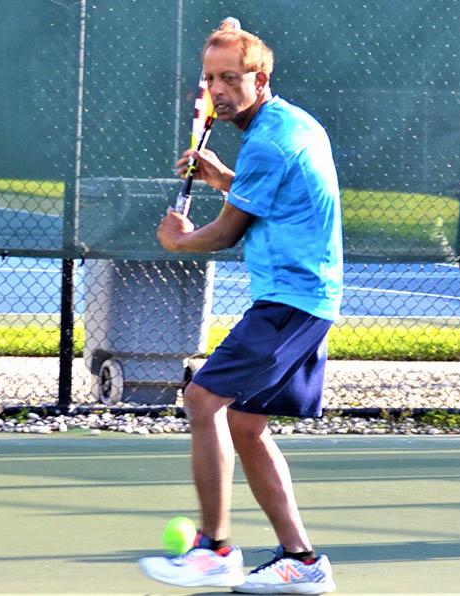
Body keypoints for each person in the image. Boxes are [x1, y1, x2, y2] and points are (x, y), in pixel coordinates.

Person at [138, 25, 342, 595]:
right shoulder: (288, 125)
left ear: (260, 79)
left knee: (202, 398)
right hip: (306, 299)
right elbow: (275, 202)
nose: (218, 90)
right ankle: (301, 561)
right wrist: (223, 177)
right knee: (244, 426)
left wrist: (178, 239)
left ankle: (215, 548)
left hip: (290, 300)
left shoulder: (270, 141)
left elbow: (227, 233)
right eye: (210, 78)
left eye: (231, 77)